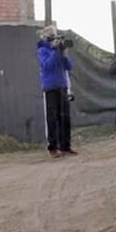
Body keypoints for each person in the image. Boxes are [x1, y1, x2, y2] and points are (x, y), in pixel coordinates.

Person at [37, 25, 76, 157]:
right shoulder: (42, 50)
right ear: (45, 36)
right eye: (51, 35)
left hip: (62, 86)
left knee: (65, 117)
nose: (54, 37)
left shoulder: (59, 50)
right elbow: (47, 65)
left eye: (55, 34)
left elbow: (69, 66)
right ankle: (53, 147)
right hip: (50, 87)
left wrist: (64, 54)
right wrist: (54, 51)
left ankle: (66, 146)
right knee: (52, 117)